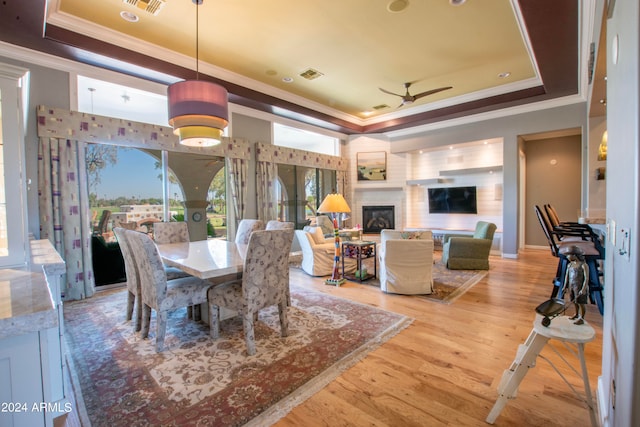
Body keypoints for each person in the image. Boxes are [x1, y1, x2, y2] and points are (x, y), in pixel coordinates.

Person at [563, 245, 589, 325]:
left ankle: (582, 318)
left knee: (581, 302)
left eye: (568, 255)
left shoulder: (583, 265)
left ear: (574, 255)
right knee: (574, 301)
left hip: (579, 287)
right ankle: (577, 313)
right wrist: (565, 286)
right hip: (572, 286)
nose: (567, 257)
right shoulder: (569, 265)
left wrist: (583, 289)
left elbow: (586, 278)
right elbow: (566, 276)